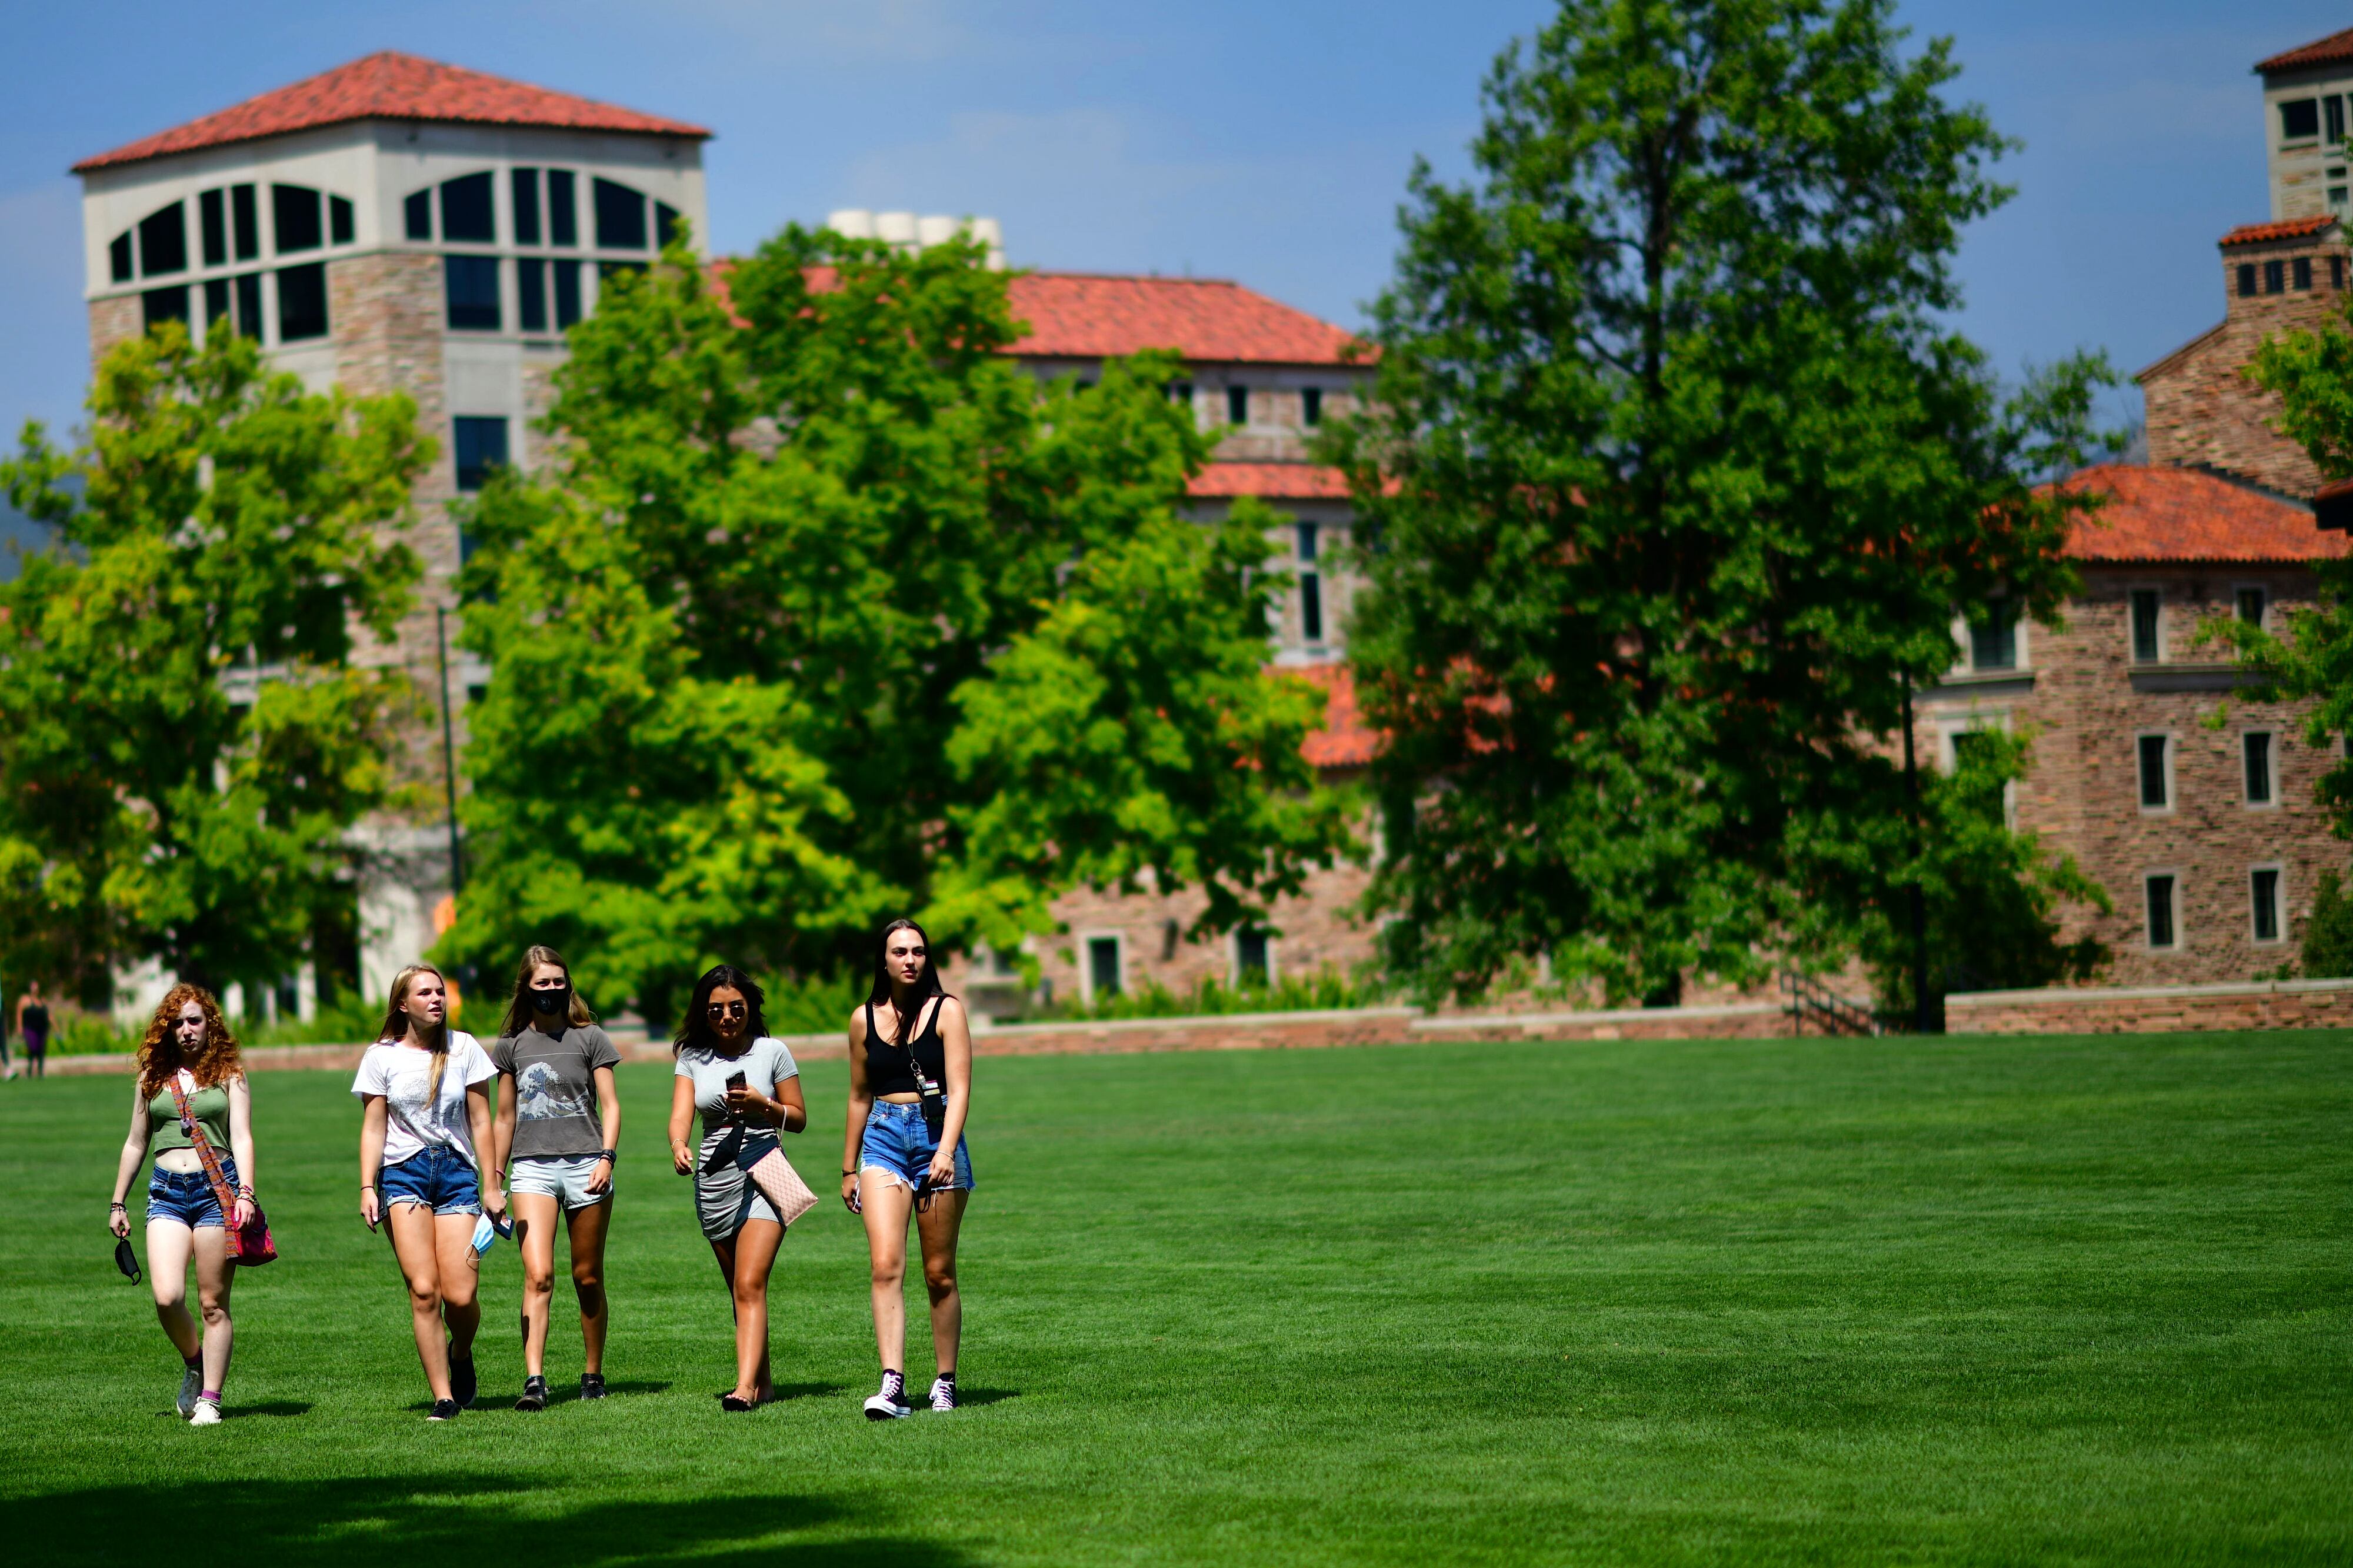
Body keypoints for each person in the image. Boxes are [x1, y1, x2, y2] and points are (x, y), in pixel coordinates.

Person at [354, 963, 506, 1421]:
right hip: (404, 1175)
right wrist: (367, 1185)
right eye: (425, 993)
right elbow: (374, 1127)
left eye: (440, 992)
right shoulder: (381, 1056)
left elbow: (482, 1121)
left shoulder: (464, 1049)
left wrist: (493, 1185)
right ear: (403, 1004)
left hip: (457, 1172)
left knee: (460, 1296)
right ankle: (443, 1396)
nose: (437, 999)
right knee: (424, 1292)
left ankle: (461, 1354)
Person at [104, 985, 256, 1426]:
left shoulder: (230, 1072)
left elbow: (243, 1136)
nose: (186, 1031)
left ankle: (210, 1399)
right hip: (166, 1192)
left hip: (217, 1192)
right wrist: (118, 1201)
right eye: (177, 1023)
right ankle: (195, 1360)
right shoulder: (152, 1076)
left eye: (195, 1021)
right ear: (165, 1029)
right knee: (167, 1297)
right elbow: (136, 1142)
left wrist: (246, 1192)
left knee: (213, 1303)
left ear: (210, 1024)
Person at [842, 919, 975, 1418]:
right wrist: (847, 1168)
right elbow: (858, 1095)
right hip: (882, 1141)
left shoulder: (948, 1011)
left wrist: (944, 1151)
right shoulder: (863, 1019)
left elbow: (960, 1088)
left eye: (918, 951)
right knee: (885, 1266)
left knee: (938, 1273)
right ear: (884, 960)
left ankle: (944, 1381)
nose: (910, 960)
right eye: (900, 952)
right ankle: (892, 1383)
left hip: (936, 1139)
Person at [667, 964, 806, 1412]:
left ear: (750, 1007)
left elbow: (799, 1118)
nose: (726, 1017)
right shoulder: (692, 1056)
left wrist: (764, 1105)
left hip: (767, 1167)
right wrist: (678, 1145)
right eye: (715, 1011)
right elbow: (681, 1115)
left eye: (735, 1008)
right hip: (715, 1175)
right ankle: (762, 1383)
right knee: (739, 1290)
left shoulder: (773, 1052)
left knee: (750, 1284)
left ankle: (743, 1389)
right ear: (703, 1013)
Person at [489, 946, 621, 1410]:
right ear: (526, 987)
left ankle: (592, 1373)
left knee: (587, 1277)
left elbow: (611, 1103)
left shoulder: (592, 1038)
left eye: (558, 981)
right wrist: (495, 1178)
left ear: (569, 984)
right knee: (538, 1275)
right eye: (542, 983)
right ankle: (534, 1379)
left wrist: (607, 1156)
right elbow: (504, 1117)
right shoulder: (510, 1047)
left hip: (587, 1164)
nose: (551, 990)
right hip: (532, 1170)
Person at [18, 979, 51, 1079]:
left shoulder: (42, 1000)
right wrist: (19, 1027)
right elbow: (19, 1014)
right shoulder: (25, 1000)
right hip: (30, 1028)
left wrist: (56, 1027)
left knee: (41, 1049)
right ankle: (30, 1069)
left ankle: (40, 1071)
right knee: (32, 1047)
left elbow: (48, 1015)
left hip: (42, 1028)